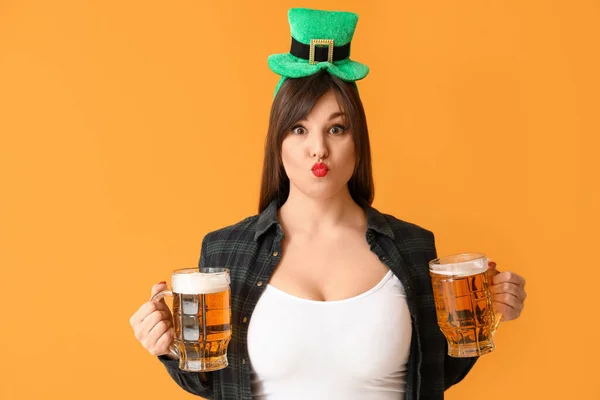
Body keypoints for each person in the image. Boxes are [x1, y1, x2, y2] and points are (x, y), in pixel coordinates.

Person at [129, 7, 527, 400]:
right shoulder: (224, 251)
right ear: (277, 143)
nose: (318, 149)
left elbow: (434, 372)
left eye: (336, 128)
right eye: (299, 129)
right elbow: (214, 380)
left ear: (358, 142)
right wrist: (166, 345)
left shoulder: (414, 247)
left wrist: (489, 315)